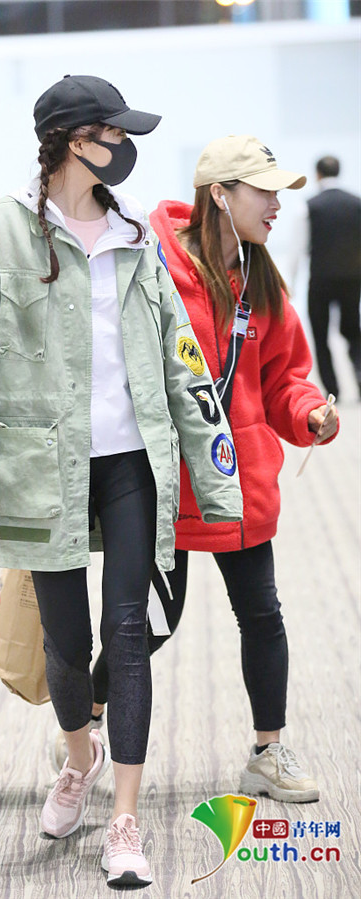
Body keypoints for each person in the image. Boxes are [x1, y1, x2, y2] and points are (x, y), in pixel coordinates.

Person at [0, 76, 242, 887]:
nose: (125, 147)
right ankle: (78, 757)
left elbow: (183, 356)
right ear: (74, 140)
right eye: (114, 133)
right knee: (67, 647)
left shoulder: (135, 236)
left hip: (131, 460)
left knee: (127, 632)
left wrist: (216, 471)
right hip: (41, 468)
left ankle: (124, 821)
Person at [86, 134, 339, 804]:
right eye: (264, 192)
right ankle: (85, 719)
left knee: (262, 613)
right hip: (165, 480)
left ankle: (267, 751)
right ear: (220, 196)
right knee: (149, 622)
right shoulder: (155, 266)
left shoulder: (262, 281)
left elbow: (284, 377)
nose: (277, 205)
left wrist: (309, 411)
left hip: (239, 480)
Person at [291, 155, 361, 401]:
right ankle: (360, 377)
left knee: (320, 335)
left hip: (321, 279)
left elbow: (298, 247)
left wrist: (291, 283)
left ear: (318, 174)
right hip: (353, 277)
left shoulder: (310, 205)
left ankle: (333, 390)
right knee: (353, 330)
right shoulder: (356, 203)